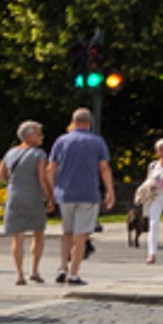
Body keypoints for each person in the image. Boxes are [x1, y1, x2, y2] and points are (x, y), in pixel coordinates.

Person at [48, 107, 114, 286]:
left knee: (67, 233)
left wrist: (52, 192)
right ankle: (74, 274)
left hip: (65, 194)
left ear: (73, 122)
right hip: (87, 194)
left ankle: (63, 267)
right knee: (80, 236)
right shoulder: (97, 141)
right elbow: (104, 168)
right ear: (89, 123)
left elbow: (51, 168)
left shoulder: (61, 141)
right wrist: (110, 191)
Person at [0, 121, 54, 285]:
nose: (42, 137)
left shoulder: (10, 153)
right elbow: (42, 178)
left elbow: (0, 175)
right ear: (29, 136)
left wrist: (14, 182)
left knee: (17, 237)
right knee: (38, 233)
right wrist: (50, 197)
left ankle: (19, 274)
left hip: (14, 197)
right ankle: (34, 271)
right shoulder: (39, 154)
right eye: (38, 134)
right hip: (33, 198)